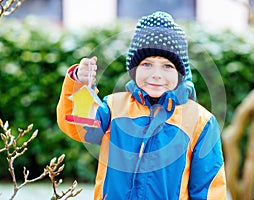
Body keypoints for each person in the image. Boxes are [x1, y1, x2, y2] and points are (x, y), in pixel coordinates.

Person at [57, 11, 226, 200]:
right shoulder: (113, 108)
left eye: (167, 66)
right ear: (134, 69)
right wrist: (80, 84)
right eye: (146, 64)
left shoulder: (200, 122)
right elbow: (78, 125)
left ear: (181, 73)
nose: (156, 74)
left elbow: (208, 186)